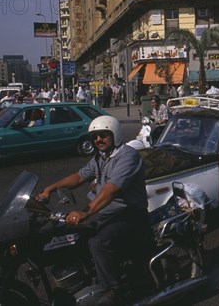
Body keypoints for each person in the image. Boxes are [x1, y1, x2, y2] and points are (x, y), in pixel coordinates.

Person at [37, 116, 150, 305]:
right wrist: (49, 189)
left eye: (104, 135)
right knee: (70, 235)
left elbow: (111, 189)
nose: (99, 140)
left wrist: (86, 212)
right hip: (108, 212)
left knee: (99, 242)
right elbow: (79, 177)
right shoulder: (101, 157)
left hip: (131, 215)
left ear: (115, 134)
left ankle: (115, 291)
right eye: (95, 136)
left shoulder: (127, 156)